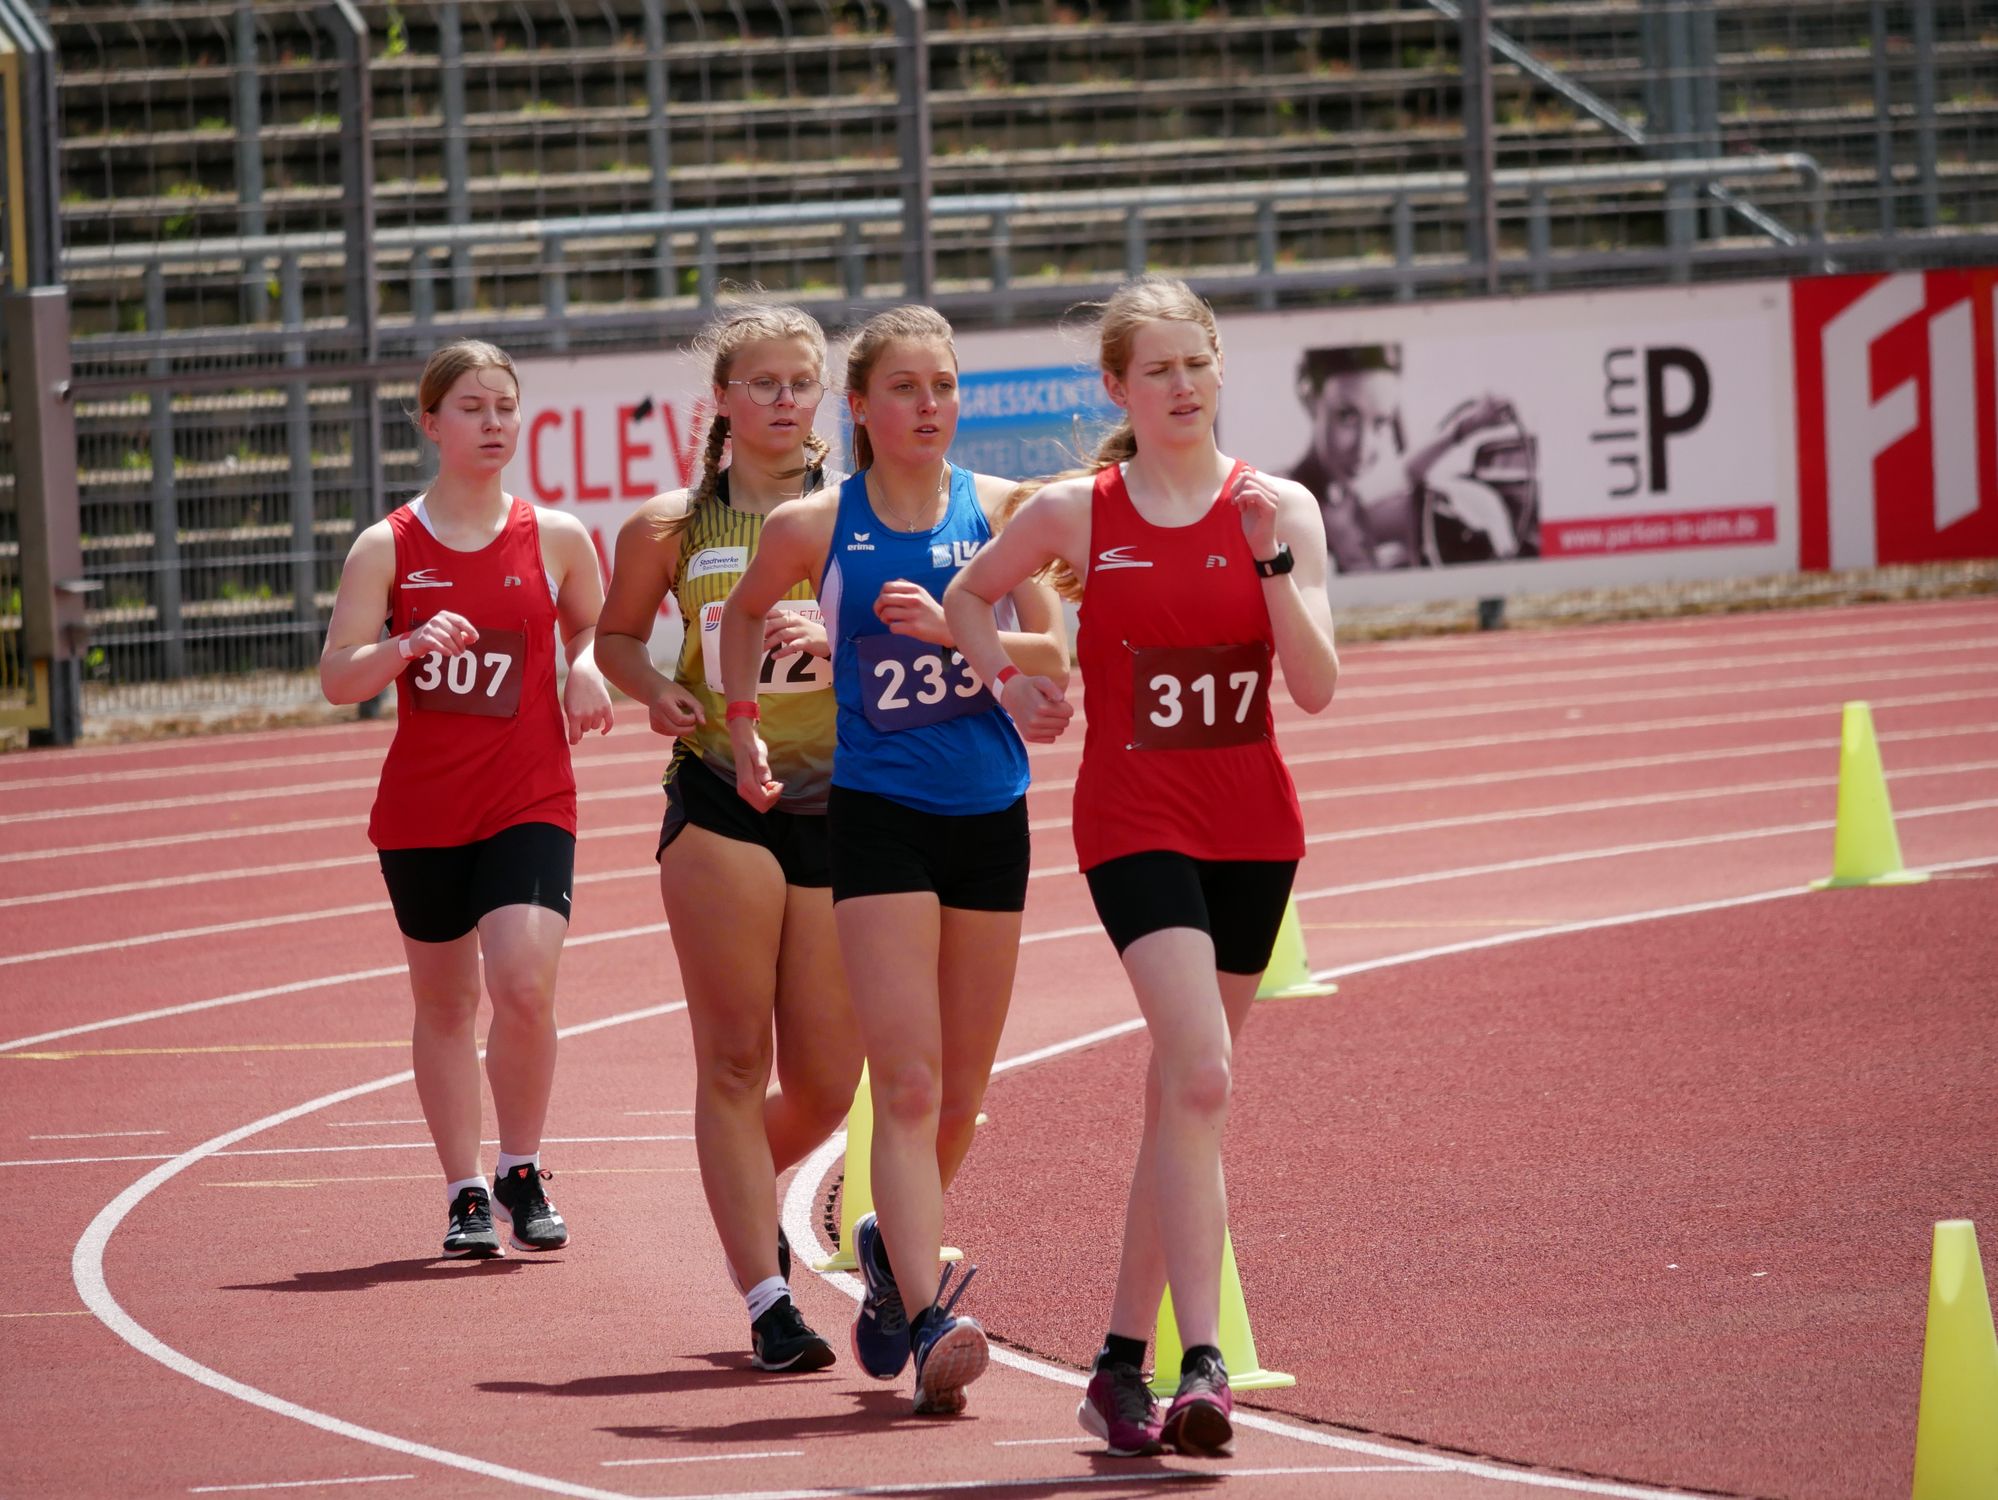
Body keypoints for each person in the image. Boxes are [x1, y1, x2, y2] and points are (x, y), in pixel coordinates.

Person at [944, 276, 1339, 1459]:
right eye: (1156, 369)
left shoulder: (1282, 507)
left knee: (1183, 1098)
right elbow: (969, 597)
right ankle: (1201, 1362)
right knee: (1203, 1075)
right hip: (1135, 822)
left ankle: (1117, 1365)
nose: (1181, 385)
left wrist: (1271, 565)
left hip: (1254, 829)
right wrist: (1009, 687)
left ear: (1220, 371)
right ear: (1117, 388)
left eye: (1196, 363)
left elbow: (1316, 687)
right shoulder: (1076, 513)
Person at [718, 304, 1070, 1416]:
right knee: (908, 1083)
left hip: (990, 814)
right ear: (860, 407)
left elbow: (1056, 648)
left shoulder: (1002, 512)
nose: (930, 406)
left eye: (946, 386)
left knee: (961, 1096)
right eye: (907, 388)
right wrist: (743, 726)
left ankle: (884, 1254)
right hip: (879, 820)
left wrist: (957, 629)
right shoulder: (816, 524)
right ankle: (930, 1324)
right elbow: (743, 615)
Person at [596, 304, 862, 1373]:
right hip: (719, 798)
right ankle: (767, 1298)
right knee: (737, 1056)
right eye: (763, 383)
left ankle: (733, 1181)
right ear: (722, 399)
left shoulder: (862, 510)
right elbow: (616, 636)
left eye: (802, 382)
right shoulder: (671, 526)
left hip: (844, 805)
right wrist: (653, 686)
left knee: (829, 1083)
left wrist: (839, 635)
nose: (786, 400)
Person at [320, 338, 615, 1259]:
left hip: (529, 795)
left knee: (522, 983)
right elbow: (337, 677)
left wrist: (585, 667)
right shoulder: (387, 547)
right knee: (446, 1005)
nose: (494, 423)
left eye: (505, 407)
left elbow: (597, 627)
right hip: (424, 811)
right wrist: (406, 646)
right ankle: (465, 1191)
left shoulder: (556, 536)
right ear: (431, 423)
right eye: (473, 408)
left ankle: (522, 1168)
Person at [1286, 344, 1520, 571]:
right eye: (1347, 417)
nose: (1363, 450)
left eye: (1380, 423)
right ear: (1309, 398)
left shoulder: (1344, 496)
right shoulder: (1285, 505)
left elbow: (1407, 473)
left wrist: (1467, 427)